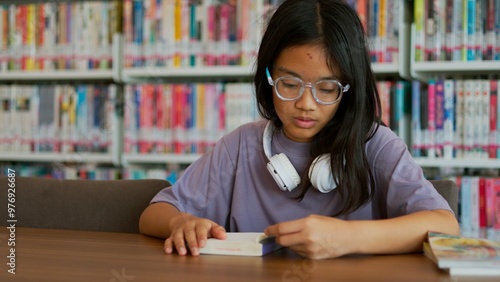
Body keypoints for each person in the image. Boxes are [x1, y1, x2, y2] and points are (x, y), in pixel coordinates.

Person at [139, 0, 460, 259]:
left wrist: (346, 238)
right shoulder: (241, 146)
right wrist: (181, 222)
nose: (306, 103)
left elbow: (444, 225)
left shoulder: (375, 145)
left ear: (348, 88)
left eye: (327, 88)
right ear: (268, 77)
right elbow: (155, 213)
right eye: (289, 84)